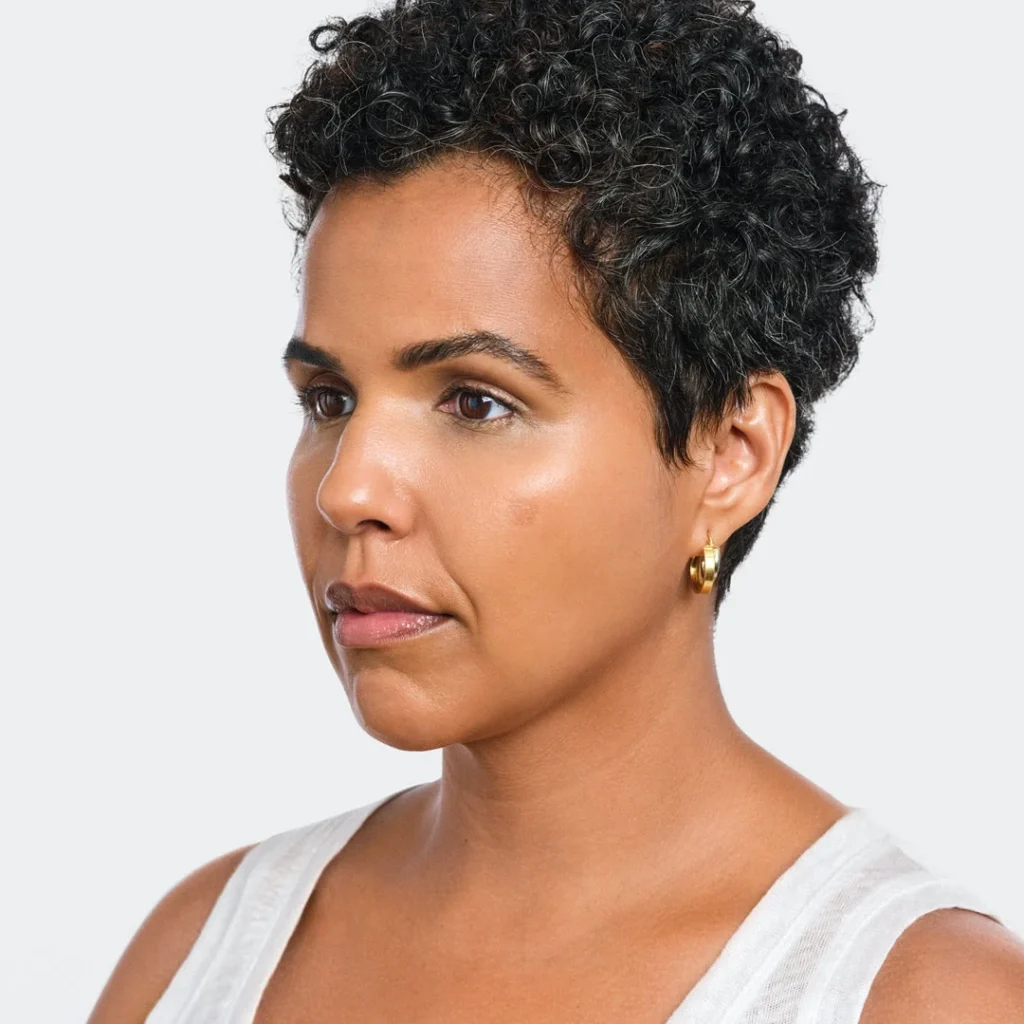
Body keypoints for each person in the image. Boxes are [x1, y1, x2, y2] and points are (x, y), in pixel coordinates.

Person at [88, 1, 1024, 1021]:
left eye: (474, 402)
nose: (347, 490)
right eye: (329, 400)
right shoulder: (199, 953)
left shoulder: (923, 997)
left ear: (729, 454)